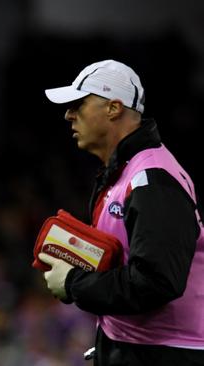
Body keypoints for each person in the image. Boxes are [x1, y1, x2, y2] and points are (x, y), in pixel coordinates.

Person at [38, 59, 204, 365]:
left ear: (113, 108)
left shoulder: (153, 180)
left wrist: (75, 282)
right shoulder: (126, 171)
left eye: (78, 104)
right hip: (138, 348)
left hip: (165, 353)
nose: (68, 114)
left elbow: (157, 282)